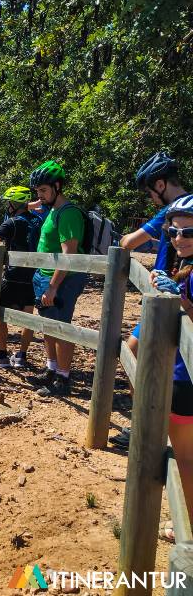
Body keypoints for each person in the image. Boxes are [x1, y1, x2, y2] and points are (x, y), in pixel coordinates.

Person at [111, 152, 190, 449]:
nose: (150, 199)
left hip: (171, 299)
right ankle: (151, 422)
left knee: (137, 354)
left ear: (160, 184)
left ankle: (149, 425)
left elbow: (129, 242)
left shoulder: (173, 209)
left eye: (149, 192)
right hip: (169, 297)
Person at [141, 194, 193, 522]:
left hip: (185, 377)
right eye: (174, 232)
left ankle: (187, 524)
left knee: (185, 457)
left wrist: (180, 300)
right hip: (181, 371)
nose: (179, 239)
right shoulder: (184, 266)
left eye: (189, 233)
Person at [29, 160, 88, 397]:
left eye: (43, 190)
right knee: (47, 323)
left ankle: (64, 377)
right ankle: (51, 367)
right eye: (37, 191)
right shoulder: (51, 209)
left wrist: (53, 287)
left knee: (62, 326)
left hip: (63, 279)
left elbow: (68, 254)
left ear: (57, 186)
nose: (39, 196)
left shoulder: (69, 212)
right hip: (44, 276)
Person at [0, 186, 42, 368]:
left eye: (9, 202)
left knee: (0, 316)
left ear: (14, 204)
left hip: (13, 277)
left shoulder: (12, 223)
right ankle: (22, 355)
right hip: (33, 276)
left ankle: (1, 354)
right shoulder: (39, 221)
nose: (7, 206)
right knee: (28, 318)